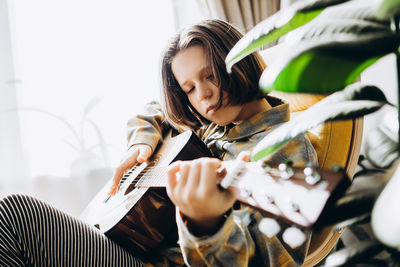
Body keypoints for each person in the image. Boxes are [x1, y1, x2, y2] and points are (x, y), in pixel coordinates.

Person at [0, 19, 317, 266]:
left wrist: (207, 226)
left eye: (210, 75)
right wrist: (141, 144)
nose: (202, 95)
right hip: (134, 246)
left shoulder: (284, 151)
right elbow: (155, 109)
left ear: (241, 61)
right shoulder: (211, 124)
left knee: (16, 215)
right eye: (189, 88)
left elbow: (277, 261)